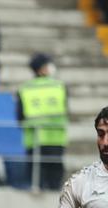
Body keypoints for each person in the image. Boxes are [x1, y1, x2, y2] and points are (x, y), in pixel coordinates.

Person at [17, 53, 68, 191]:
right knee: (55, 184)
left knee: (36, 181)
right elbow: (65, 109)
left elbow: (19, 117)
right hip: (55, 138)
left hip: (34, 139)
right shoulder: (59, 86)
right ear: (41, 69)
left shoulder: (25, 88)